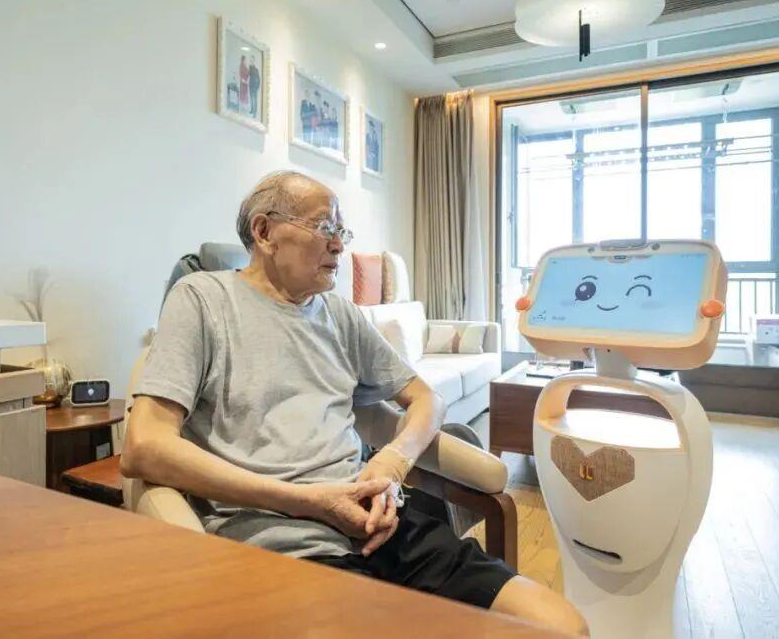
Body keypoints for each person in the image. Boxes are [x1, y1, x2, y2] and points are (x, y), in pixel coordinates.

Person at [121, 171, 588, 637]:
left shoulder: (339, 314)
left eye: (341, 232)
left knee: (560, 625)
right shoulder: (203, 300)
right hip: (283, 548)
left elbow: (426, 399)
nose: (339, 246)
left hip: (385, 527)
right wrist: (313, 503)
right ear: (264, 232)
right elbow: (144, 447)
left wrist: (391, 464)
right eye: (324, 227)